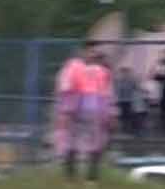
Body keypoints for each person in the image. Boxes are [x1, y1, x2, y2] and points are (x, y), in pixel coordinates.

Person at [54, 45, 113, 181]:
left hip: (83, 105)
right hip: (89, 106)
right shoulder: (79, 68)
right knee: (90, 139)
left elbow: (65, 88)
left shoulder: (75, 67)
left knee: (74, 139)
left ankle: (74, 176)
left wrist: (65, 109)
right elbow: (105, 94)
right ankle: (88, 176)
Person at [114, 65, 146, 137]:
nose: (124, 74)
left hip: (130, 100)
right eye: (123, 72)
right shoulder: (118, 81)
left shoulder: (131, 80)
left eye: (126, 72)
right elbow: (117, 91)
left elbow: (137, 88)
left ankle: (130, 130)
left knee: (130, 116)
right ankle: (126, 130)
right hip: (122, 100)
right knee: (124, 116)